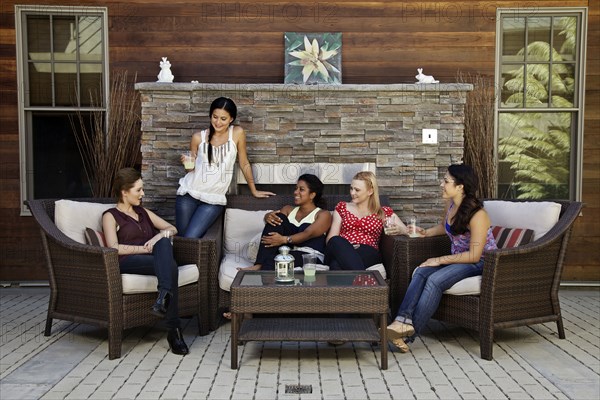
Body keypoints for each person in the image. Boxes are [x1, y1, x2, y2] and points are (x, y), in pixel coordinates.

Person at [386, 164, 498, 353]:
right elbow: (446, 227)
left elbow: (474, 255)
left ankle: (408, 335)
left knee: (435, 279)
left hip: (481, 263)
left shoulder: (478, 214)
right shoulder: (452, 205)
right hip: (460, 258)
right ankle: (401, 322)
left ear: (460, 186)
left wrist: (439, 260)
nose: (441, 184)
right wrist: (425, 233)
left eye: (446, 181)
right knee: (421, 271)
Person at [102, 168, 189, 356]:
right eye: (138, 190)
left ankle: (163, 298)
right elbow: (114, 247)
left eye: (143, 189)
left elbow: (171, 228)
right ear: (124, 192)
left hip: (152, 259)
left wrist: (157, 239)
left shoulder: (142, 212)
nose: (143, 194)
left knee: (165, 243)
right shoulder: (110, 216)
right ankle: (174, 331)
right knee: (171, 266)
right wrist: (145, 248)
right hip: (127, 261)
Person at [176, 97, 275, 238]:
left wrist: (254, 190)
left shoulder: (237, 133)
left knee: (190, 238)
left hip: (214, 199)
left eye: (223, 118)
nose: (218, 122)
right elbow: (190, 170)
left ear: (231, 119)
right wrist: (186, 162)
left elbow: (244, 162)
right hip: (188, 194)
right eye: (215, 117)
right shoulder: (198, 137)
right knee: (182, 240)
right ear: (210, 115)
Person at [245, 174, 333, 271]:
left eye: (301, 189)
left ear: (312, 194)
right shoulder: (287, 210)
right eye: (296, 188)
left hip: (309, 256)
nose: (296, 192)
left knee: (274, 262)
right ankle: (259, 264)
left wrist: (284, 239)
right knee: (277, 218)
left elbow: (308, 233)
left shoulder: (323, 214)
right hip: (286, 252)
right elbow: (274, 226)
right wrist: (267, 217)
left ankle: (264, 275)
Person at [325, 171, 407, 270]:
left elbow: (408, 230)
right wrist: (347, 248)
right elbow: (331, 239)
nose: (352, 193)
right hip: (342, 247)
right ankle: (361, 278)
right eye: (351, 188)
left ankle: (350, 279)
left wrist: (400, 230)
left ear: (370, 191)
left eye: (357, 190)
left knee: (336, 265)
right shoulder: (342, 207)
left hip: (367, 251)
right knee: (335, 240)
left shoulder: (382, 212)